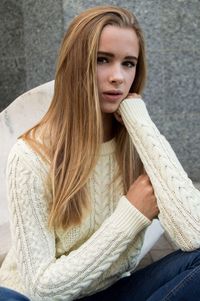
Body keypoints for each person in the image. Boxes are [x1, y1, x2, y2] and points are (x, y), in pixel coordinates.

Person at [0, 5, 200, 301]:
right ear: (75, 64)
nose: (118, 76)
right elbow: (42, 288)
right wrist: (130, 214)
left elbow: (194, 232)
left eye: (129, 63)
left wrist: (140, 122)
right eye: (102, 60)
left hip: (109, 291)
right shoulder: (31, 157)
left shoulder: (136, 143)